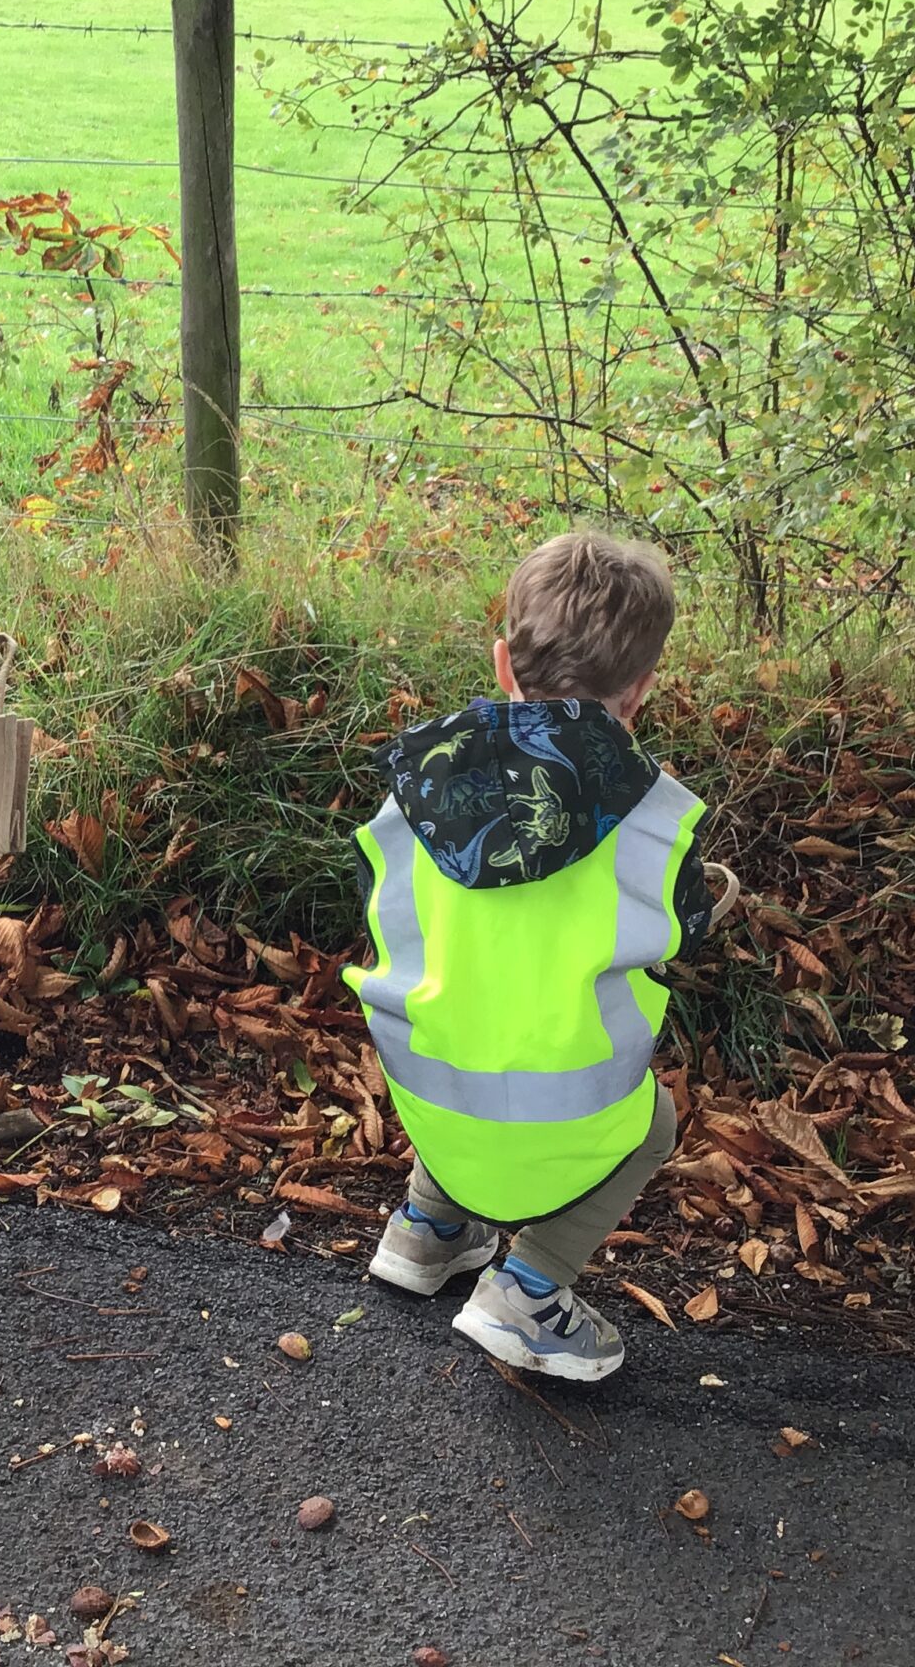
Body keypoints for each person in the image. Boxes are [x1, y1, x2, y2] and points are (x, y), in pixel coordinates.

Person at [348, 531, 722, 1381]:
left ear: (502, 664)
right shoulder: (652, 817)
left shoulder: (418, 787)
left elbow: (382, 905)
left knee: (473, 1024)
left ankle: (428, 1229)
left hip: (426, 1087)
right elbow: (684, 930)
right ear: (641, 692)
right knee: (655, 1122)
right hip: (564, 1113)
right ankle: (530, 1290)